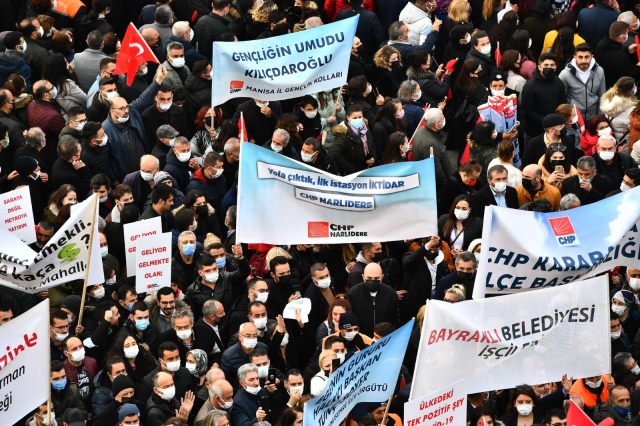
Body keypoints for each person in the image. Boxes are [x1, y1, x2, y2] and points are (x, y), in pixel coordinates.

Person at [104, 66, 168, 182]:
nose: (126, 110)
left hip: (144, 172)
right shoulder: (106, 130)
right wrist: (114, 181)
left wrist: (158, 80)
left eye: (126, 107)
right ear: (112, 111)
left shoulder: (132, 111)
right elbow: (106, 161)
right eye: (122, 108)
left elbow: (145, 98)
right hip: (125, 178)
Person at [520, 54, 567, 141]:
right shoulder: (530, 86)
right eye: (546, 65)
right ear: (539, 67)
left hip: (556, 130)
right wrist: (546, 121)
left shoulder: (558, 82)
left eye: (552, 65)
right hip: (534, 131)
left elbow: (562, 103)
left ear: (556, 67)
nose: (549, 67)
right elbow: (528, 111)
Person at [345, 263, 399, 337]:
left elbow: (395, 320)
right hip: (361, 340)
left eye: (376, 278)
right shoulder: (352, 294)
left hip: (384, 339)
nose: (373, 281)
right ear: (363, 277)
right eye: (369, 278)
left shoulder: (391, 294)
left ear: (382, 277)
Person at [559, 43, 605, 122]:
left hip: (593, 117)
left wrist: (599, 117)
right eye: (580, 57)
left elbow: (602, 95)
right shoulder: (565, 75)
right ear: (575, 57)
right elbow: (561, 99)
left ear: (592, 57)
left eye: (587, 57)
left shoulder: (599, 71)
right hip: (574, 119)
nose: (583, 61)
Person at [330, 103, 377, 176]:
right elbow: (334, 153)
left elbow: (371, 143)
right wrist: (351, 168)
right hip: (352, 174)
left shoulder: (365, 128)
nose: (358, 119)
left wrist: (373, 157)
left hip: (366, 169)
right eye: (355, 118)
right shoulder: (343, 133)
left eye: (360, 117)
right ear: (348, 117)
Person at [413, 108, 451, 187]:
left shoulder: (421, 130)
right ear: (437, 126)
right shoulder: (431, 145)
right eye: (442, 119)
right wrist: (446, 186)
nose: (444, 118)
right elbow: (436, 171)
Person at [600, 76, 638, 145]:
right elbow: (636, 127)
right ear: (630, 91)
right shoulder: (631, 110)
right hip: (625, 144)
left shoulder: (608, 101)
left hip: (613, 142)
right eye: (634, 87)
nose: (635, 88)